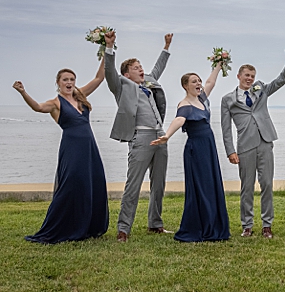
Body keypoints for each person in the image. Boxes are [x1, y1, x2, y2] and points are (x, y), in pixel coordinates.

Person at [13, 57, 108, 244]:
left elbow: (99, 78)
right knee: (70, 185)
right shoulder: (55, 103)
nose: (69, 83)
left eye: (72, 79)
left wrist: (107, 50)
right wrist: (23, 92)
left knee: (92, 182)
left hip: (89, 147)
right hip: (71, 148)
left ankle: (89, 226)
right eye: (65, 79)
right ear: (58, 83)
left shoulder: (81, 95)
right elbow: (38, 107)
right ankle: (61, 226)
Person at [102, 30, 174, 242]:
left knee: (159, 183)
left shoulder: (148, 83)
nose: (141, 69)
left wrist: (166, 47)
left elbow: (158, 68)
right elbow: (109, 72)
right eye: (136, 68)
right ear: (127, 74)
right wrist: (109, 47)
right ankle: (123, 229)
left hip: (160, 137)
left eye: (141, 66)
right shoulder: (121, 86)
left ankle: (156, 224)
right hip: (140, 138)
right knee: (133, 185)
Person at [220, 50, 285, 239]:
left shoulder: (261, 89)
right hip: (245, 146)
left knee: (267, 184)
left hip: (265, 141)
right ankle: (247, 225)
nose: (250, 79)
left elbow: (280, 81)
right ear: (239, 76)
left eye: (252, 76)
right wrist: (230, 151)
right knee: (246, 187)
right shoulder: (228, 99)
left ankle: (267, 225)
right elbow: (226, 128)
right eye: (247, 75)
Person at [151, 63, 228, 242]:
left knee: (211, 184)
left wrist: (218, 64)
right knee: (201, 186)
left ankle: (215, 223)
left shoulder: (201, 98)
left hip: (209, 147)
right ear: (185, 85)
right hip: (197, 149)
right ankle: (201, 225)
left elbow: (211, 82)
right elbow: (179, 120)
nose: (199, 83)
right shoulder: (184, 104)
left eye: (199, 80)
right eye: (194, 81)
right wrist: (167, 135)